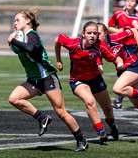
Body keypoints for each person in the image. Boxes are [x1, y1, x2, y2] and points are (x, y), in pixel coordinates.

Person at [7, 10, 88, 152]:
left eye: (18, 19)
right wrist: (14, 42)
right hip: (34, 80)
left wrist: (13, 41)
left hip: (47, 77)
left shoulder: (32, 35)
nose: (15, 22)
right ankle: (42, 117)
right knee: (14, 99)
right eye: (14, 20)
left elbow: (33, 49)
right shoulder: (21, 36)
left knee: (61, 112)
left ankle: (81, 140)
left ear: (27, 21)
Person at [54, 21, 123, 144]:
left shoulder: (100, 45)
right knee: (90, 101)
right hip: (77, 80)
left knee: (107, 108)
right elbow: (57, 40)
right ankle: (101, 132)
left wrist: (119, 63)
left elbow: (115, 57)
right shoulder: (73, 43)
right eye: (89, 33)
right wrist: (59, 60)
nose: (92, 36)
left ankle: (112, 126)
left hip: (95, 79)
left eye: (95, 33)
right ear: (83, 34)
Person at [108, 0, 138, 109]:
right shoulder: (118, 14)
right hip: (122, 47)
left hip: (134, 47)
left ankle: (118, 101)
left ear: (136, 3)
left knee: (130, 72)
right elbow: (109, 27)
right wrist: (118, 31)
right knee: (125, 72)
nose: (129, 2)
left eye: (132, 1)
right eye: (128, 0)